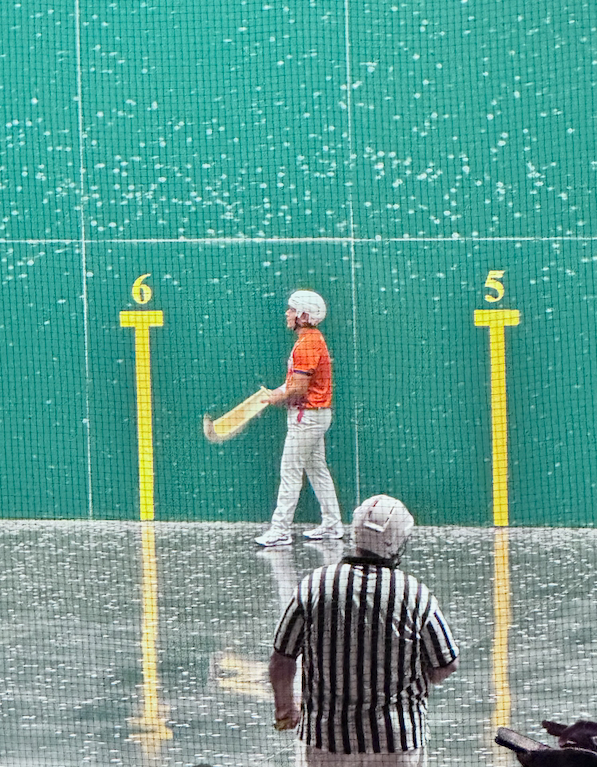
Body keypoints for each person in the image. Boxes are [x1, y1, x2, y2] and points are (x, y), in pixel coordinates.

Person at [269, 494, 460, 766]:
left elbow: (281, 657)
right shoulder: (415, 594)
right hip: (398, 742)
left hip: (325, 742)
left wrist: (285, 708)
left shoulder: (314, 586)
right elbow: (447, 663)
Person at [255, 290, 343, 547]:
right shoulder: (312, 339)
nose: (287, 313)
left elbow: (299, 387)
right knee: (317, 469)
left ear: (304, 315)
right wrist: (279, 392)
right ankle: (332, 524)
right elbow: (296, 383)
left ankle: (280, 530)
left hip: (307, 417)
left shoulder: (306, 344)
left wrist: (275, 396)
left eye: (292, 310)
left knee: (290, 471)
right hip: (316, 415)